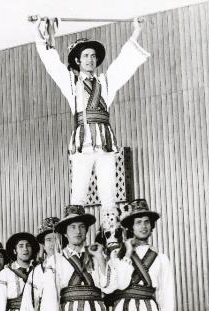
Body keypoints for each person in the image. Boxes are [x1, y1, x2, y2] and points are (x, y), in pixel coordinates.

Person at [33, 17, 149, 247]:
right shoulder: (71, 83)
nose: (90, 59)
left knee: (109, 193)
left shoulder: (106, 82)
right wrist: (43, 35)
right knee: (78, 194)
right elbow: (52, 63)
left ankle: (112, 239)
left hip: (105, 142)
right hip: (82, 142)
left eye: (93, 56)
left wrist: (137, 31)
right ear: (77, 60)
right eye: (85, 55)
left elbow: (123, 63)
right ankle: (74, 244)